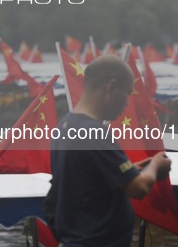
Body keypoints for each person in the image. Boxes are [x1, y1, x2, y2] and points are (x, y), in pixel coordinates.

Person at [44, 54, 171, 247]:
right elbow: (139, 188)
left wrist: (131, 170)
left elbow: (86, 181)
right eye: (127, 93)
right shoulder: (95, 132)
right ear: (111, 87)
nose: (127, 102)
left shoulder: (64, 127)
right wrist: (155, 165)